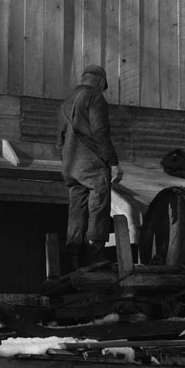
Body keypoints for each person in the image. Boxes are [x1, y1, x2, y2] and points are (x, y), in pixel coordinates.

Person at [56, 64, 124, 266]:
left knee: (77, 208)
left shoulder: (65, 103)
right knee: (99, 205)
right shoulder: (95, 98)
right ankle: (95, 255)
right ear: (100, 82)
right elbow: (100, 132)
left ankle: (73, 255)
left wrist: (68, 161)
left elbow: (58, 141)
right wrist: (113, 163)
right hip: (91, 163)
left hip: (70, 165)